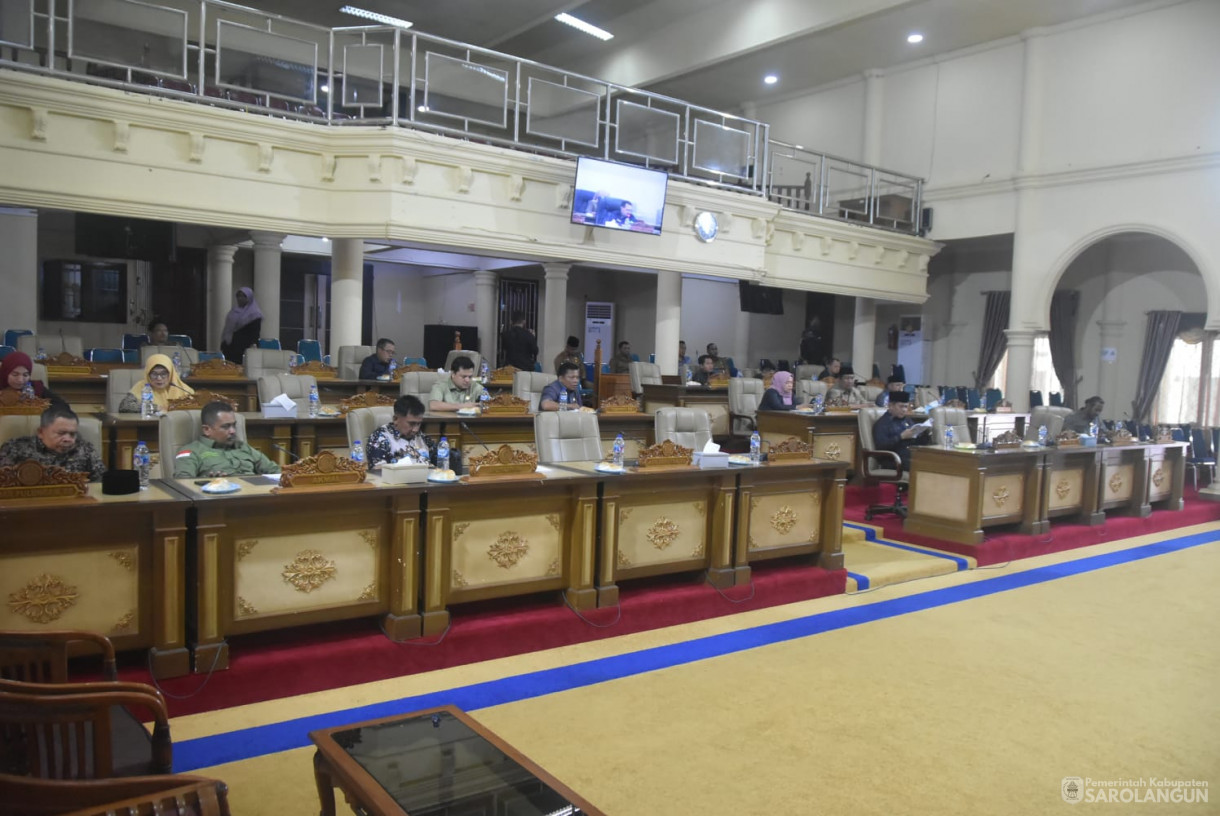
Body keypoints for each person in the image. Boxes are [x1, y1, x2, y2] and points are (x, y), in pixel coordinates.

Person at [171, 400, 279, 478]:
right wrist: (207, 483)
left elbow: (275, 471)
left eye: (234, 425)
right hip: (217, 503)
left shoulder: (243, 447)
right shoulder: (192, 451)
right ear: (207, 430)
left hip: (253, 498)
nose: (233, 431)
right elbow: (182, 483)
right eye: (226, 426)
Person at [0, 404, 105, 481]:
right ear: (41, 432)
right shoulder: (15, 448)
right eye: (61, 433)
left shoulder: (85, 449)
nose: (67, 439)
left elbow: (101, 482)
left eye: (72, 434)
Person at [366, 395, 432, 468]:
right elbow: (378, 471)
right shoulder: (380, 438)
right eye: (411, 424)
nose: (415, 430)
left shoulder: (421, 436)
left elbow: (441, 461)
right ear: (395, 419)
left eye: (418, 424)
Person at [871, 391, 930, 471]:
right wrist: (901, 437)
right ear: (890, 406)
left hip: (909, 455)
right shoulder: (882, 423)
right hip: (893, 460)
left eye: (906, 407)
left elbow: (915, 442)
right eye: (901, 407)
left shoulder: (907, 420)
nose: (904, 410)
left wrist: (925, 433)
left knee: (933, 461)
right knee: (922, 465)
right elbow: (881, 447)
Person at [118, 353, 194, 413]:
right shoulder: (142, 386)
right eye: (154, 374)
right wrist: (155, 408)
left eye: (163, 374)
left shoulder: (183, 388)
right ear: (148, 374)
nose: (159, 378)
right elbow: (124, 406)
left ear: (171, 374)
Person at [220, 286, 263, 363]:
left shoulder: (254, 313)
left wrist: (253, 346)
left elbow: (255, 333)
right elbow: (228, 329)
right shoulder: (233, 311)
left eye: (243, 296)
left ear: (249, 297)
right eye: (238, 296)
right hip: (230, 346)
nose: (240, 298)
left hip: (245, 347)